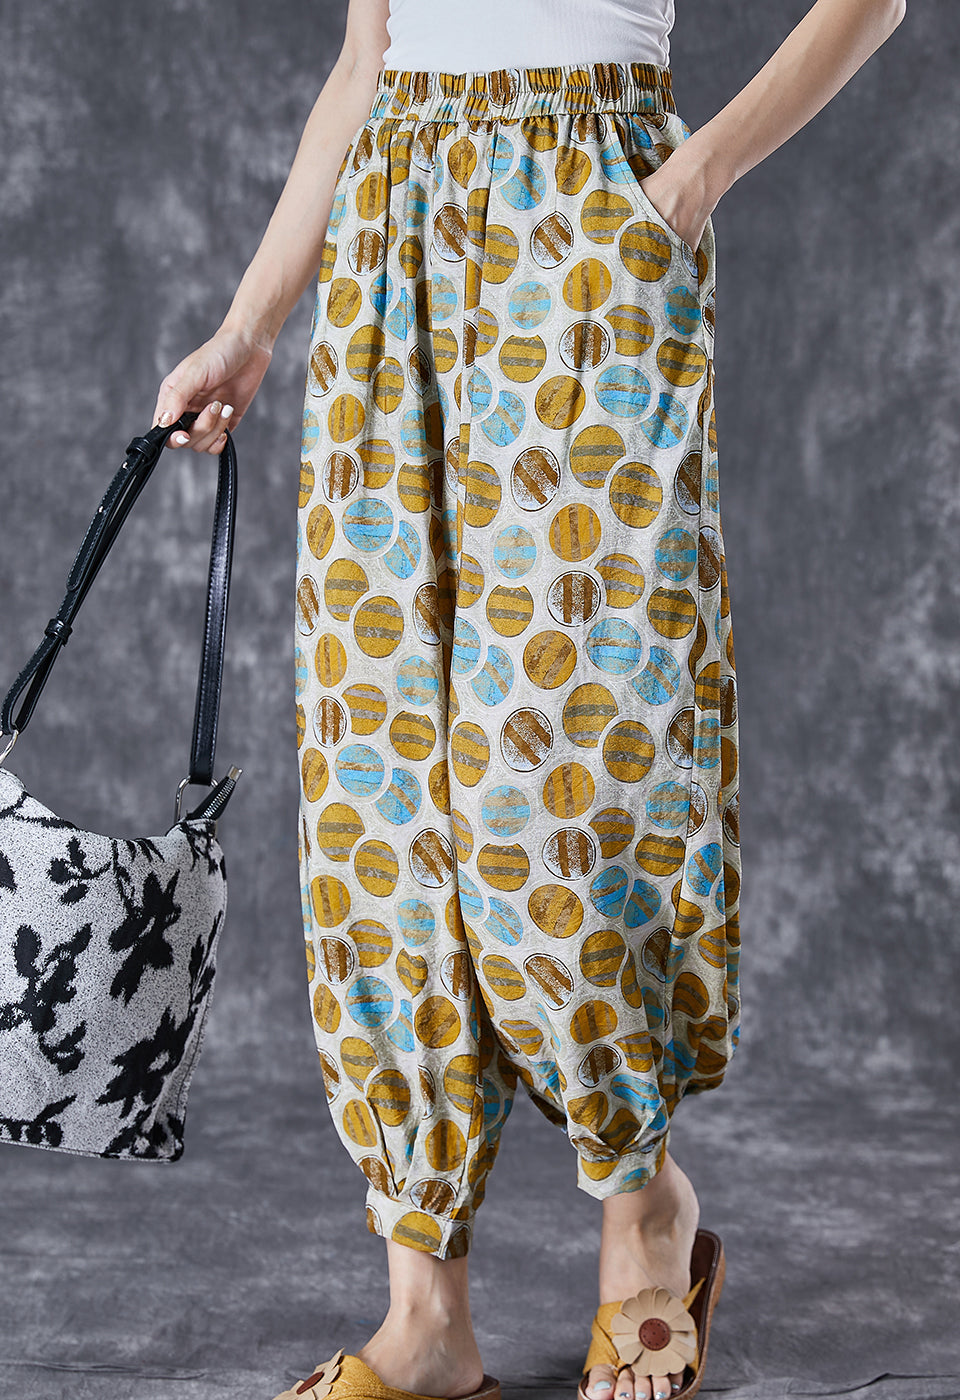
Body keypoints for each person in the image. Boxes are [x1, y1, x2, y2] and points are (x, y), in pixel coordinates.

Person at [149, 3, 907, 1398]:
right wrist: (248, 327)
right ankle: (425, 1315)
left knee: (562, 763)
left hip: (589, 222)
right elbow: (366, 64)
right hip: (389, 241)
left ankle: (643, 1212)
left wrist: (689, 183)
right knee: (380, 783)